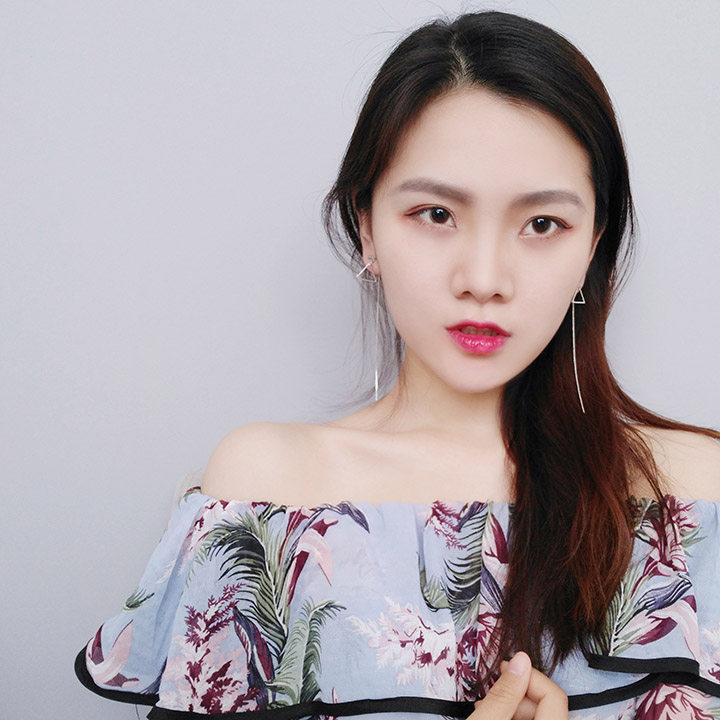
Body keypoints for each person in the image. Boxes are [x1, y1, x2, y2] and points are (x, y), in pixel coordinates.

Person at [74, 10, 720, 720]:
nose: (484, 278)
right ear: (367, 228)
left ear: (592, 248)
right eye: (436, 214)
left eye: (542, 224)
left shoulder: (695, 506)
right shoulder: (271, 496)